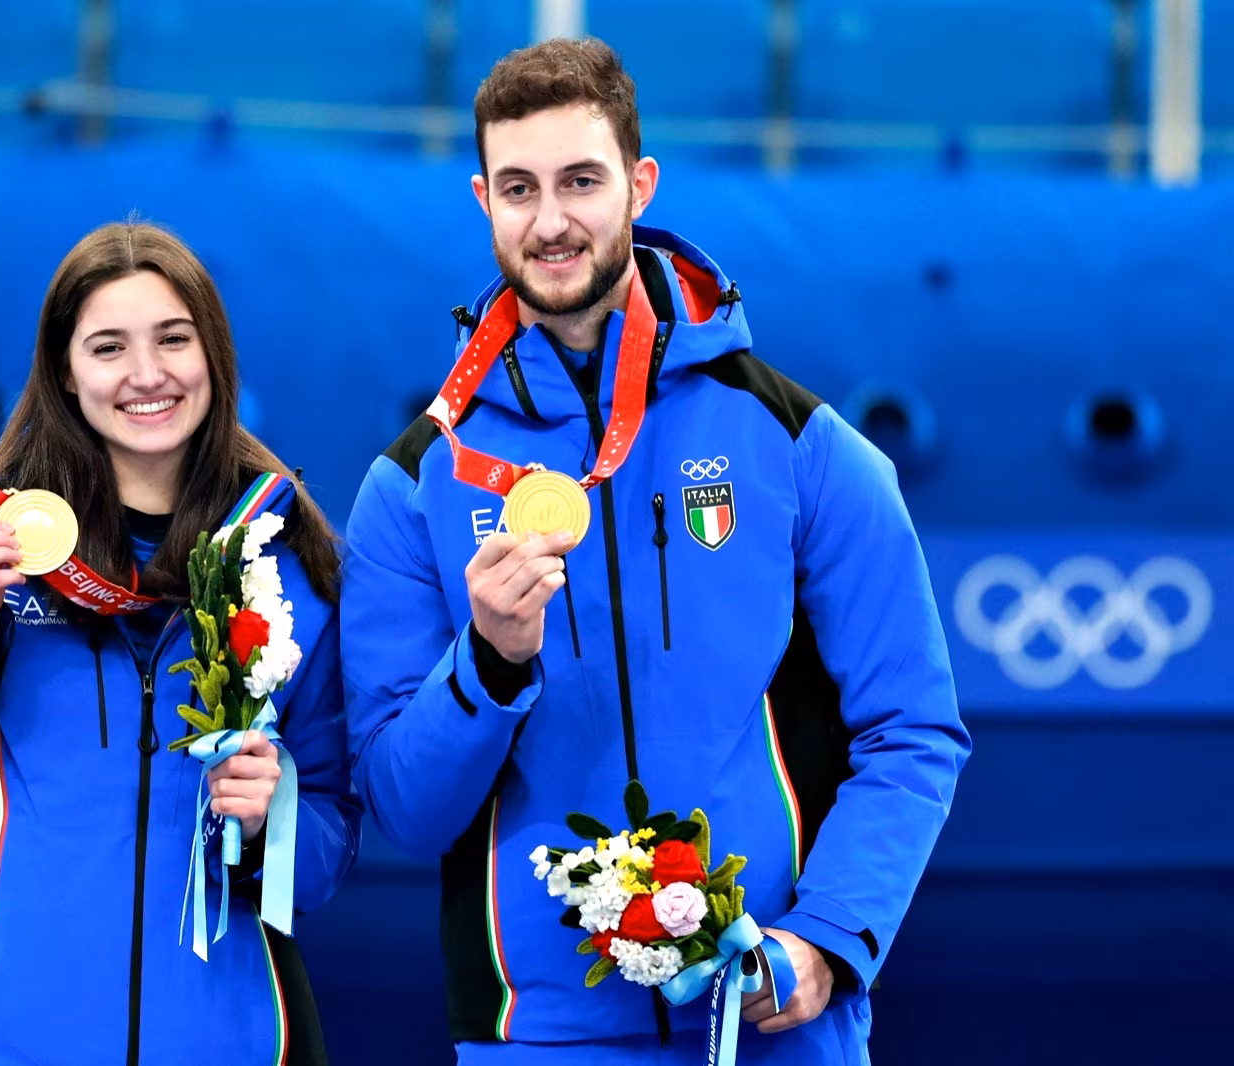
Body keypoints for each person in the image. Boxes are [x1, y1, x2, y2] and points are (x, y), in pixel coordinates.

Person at [341, 37, 970, 1064]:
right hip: (541, 1036)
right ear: (482, 199)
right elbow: (405, 810)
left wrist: (826, 941)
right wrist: (490, 661)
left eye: (581, 181)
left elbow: (913, 729)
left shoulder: (800, 445)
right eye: (518, 187)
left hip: (775, 1019)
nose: (550, 221)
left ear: (639, 183)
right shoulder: (414, 485)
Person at [0, 221, 360, 1065]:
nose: (146, 375)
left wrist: (273, 821)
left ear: (215, 357)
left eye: (173, 339)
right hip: (0, 1039)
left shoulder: (293, 566)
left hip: (234, 1042)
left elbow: (322, 860)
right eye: (107, 347)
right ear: (65, 370)